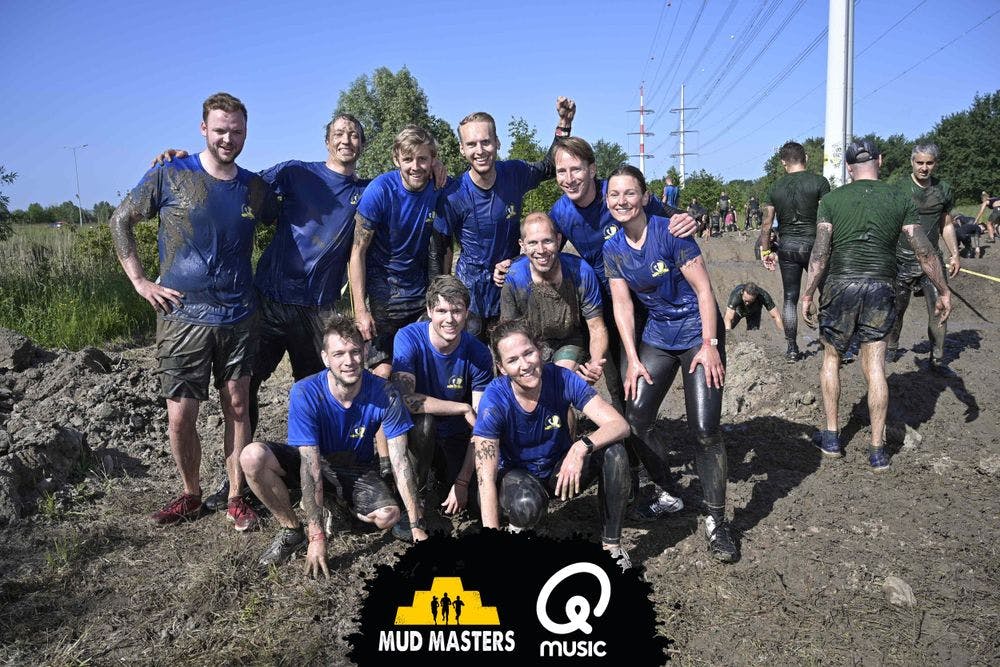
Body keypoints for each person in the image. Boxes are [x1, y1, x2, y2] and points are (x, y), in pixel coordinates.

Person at [111, 92, 278, 530]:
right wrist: (140, 282)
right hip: (182, 316)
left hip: (240, 316)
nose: (228, 138)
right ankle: (190, 493)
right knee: (180, 415)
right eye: (220, 129)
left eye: (236, 131)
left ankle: (238, 495)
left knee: (238, 406)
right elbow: (120, 220)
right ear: (203, 128)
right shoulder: (170, 173)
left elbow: (290, 214)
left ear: (246, 132)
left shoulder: (255, 189)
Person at [546, 136, 697, 507]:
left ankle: (651, 471)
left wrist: (689, 219)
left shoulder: (618, 194)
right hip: (604, 308)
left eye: (576, 169)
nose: (569, 178)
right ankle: (628, 469)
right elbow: (542, 246)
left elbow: (668, 218)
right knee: (616, 390)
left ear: (592, 170)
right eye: (561, 171)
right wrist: (510, 263)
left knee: (635, 393)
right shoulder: (561, 212)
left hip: (646, 304)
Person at [602, 165, 737, 563]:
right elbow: (622, 305)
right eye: (614, 195)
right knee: (636, 417)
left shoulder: (671, 232)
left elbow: (704, 290)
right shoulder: (612, 249)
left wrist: (710, 344)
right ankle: (670, 492)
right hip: (658, 337)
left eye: (629, 193)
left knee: (705, 429)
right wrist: (630, 358)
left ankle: (716, 520)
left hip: (698, 334)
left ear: (645, 197)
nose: (622, 201)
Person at [800, 139, 951, 472]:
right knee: (876, 367)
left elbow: (821, 252)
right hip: (883, 285)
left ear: (849, 167)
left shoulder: (831, 200)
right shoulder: (900, 198)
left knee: (831, 357)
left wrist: (808, 292)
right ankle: (878, 450)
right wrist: (942, 289)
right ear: (880, 161)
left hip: (840, 285)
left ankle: (831, 437)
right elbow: (924, 250)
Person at [239, 316, 427, 572]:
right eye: (339, 354)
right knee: (251, 456)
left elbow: (400, 460)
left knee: (388, 516)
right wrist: (316, 537)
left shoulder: (386, 393)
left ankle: (338, 510)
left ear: (365, 352)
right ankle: (292, 530)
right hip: (313, 459)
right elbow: (310, 465)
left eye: (354, 352)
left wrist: (416, 525)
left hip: (355, 467)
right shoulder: (305, 392)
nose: (348, 362)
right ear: (326, 358)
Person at [472, 320, 633, 570]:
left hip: (559, 471)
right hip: (518, 477)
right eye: (513, 360)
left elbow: (619, 425)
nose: (525, 365)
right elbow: (485, 476)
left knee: (615, 452)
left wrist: (581, 447)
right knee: (526, 505)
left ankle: (611, 547)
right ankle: (519, 525)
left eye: (528, 353)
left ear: (540, 350)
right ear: (502, 368)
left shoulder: (561, 378)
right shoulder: (494, 400)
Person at [436, 98, 576, 340]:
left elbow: (548, 166)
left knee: (515, 361)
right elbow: (441, 247)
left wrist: (564, 123)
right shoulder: (453, 194)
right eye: (471, 144)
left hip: (511, 288)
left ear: (497, 142)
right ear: (462, 149)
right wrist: (443, 292)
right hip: (472, 297)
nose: (479, 151)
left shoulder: (514, 173)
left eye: (486, 142)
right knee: (473, 368)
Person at [390, 276, 494, 538]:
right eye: (442, 311)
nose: (450, 319)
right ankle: (415, 502)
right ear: (429, 312)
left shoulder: (478, 352)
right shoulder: (408, 338)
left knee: (478, 503)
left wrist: (463, 480)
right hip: (420, 435)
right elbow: (407, 400)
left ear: (466, 313)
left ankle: (447, 483)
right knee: (425, 422)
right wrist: (460, 408)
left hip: (457, 438)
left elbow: (481, 427)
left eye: (457, 310)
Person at [349, 125, 448, 380]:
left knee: (425, 368)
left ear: (433, 159)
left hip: (420, 294)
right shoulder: (379, 191)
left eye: (423, 159)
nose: (415, 166)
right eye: (408, 159)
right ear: (396, 159)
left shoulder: (438, 188)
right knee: (384, 372)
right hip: (384, 298)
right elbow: (357, 252)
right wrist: (361, 310)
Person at [500, 212, 608, 380]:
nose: (541, 250)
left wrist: (594, 363)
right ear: (523, 245)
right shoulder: (514, 278)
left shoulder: (581, 272)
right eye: (533, 243)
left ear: (558, 240)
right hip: (530, 343)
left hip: (568, 339)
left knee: (559, 380)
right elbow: (508, 332)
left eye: (547, 241)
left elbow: (596, 327)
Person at [885, 144, 960, 365]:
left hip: (932, 261)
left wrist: (954, 254)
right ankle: (892, 347)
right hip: (901, 261)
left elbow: (946, 224)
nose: (924, 168)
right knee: (896, 310)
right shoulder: (898, 189)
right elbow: (889, 224)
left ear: (935, 164)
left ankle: (937, 358)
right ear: (912, 162)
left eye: (929, 163)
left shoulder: (943, 189)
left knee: (939, 309)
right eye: (920, 163)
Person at [759, 141, 832, 362]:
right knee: (826, 293)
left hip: (788, 247)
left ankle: (792, 348)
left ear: (783, 162)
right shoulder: (819, 182)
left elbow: (766, 223)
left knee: (790, 297)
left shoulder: (775, 187)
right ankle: (831, 343)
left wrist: (765, 251)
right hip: (815, 246)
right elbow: (827, 216)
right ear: (806, 158)